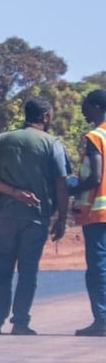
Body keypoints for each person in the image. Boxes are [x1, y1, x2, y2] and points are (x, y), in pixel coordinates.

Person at [0, 96, 69, 334]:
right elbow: (61, 184)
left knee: (2, 270)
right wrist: (62, 218)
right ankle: (20, 323)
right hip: (35, 218)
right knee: (28, 271)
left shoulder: (2, 140)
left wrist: (13, 192)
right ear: (46, 117)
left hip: (6, 217)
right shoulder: (53, 144)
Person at [67, 89, 106, 335]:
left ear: (95, 107)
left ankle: (102, 321)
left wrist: (73, 188)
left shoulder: (95, 136)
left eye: (85, 106)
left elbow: (96, 176)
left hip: (98, 214)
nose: (82, 111)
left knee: (98, 268)